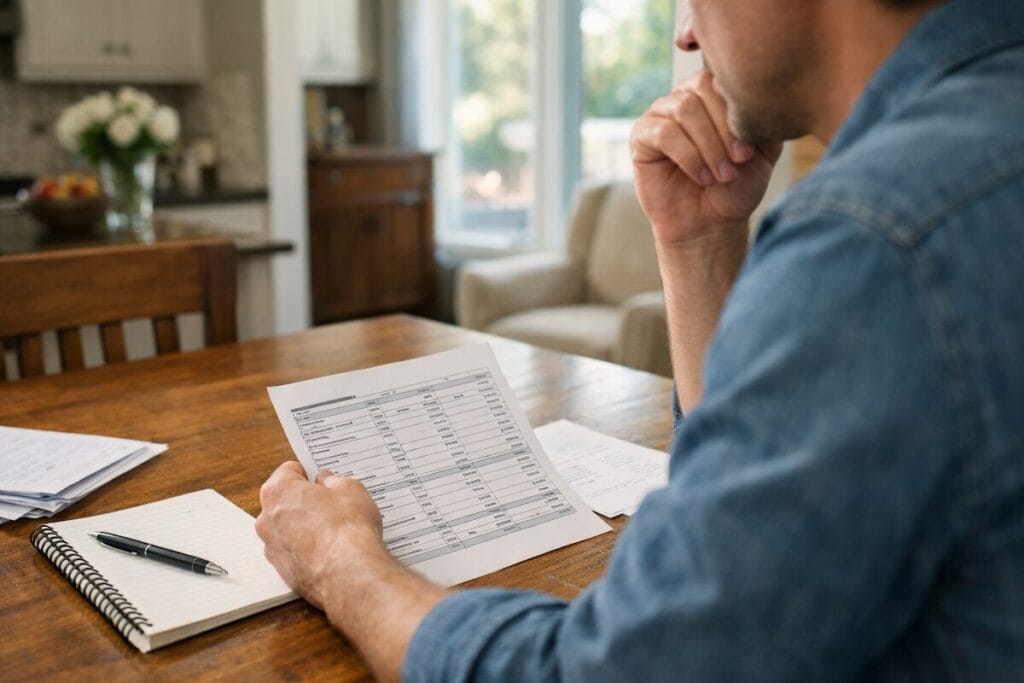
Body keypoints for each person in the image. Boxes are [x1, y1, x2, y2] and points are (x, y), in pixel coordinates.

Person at [256, 0, 1024, 679]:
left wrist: (341, 563)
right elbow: (751, 511)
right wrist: (696, 244)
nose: (687, 32)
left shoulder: (875, 240)